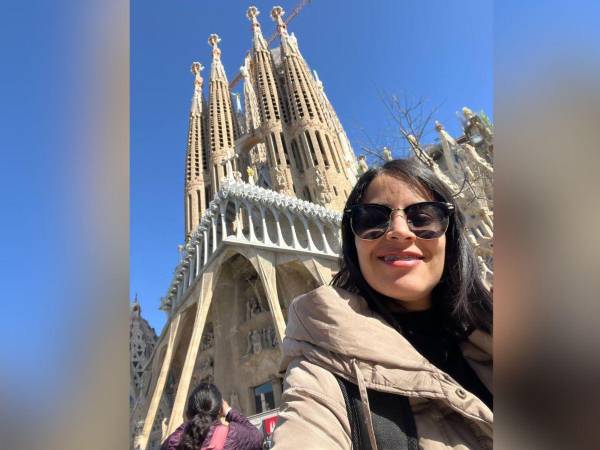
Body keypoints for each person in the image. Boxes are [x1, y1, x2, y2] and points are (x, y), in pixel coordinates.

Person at [272, 159, 493, 449]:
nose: (399, 231)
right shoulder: (324, 369)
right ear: (353, 244)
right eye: (372, 219)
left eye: (424, 217)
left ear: (450, 235)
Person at [161, 383, 263, 450]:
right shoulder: (233, 436)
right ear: (219, 409)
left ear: (188, 413)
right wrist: (229, 411)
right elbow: (257, 437)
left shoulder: (175, 441)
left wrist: (190, 422)